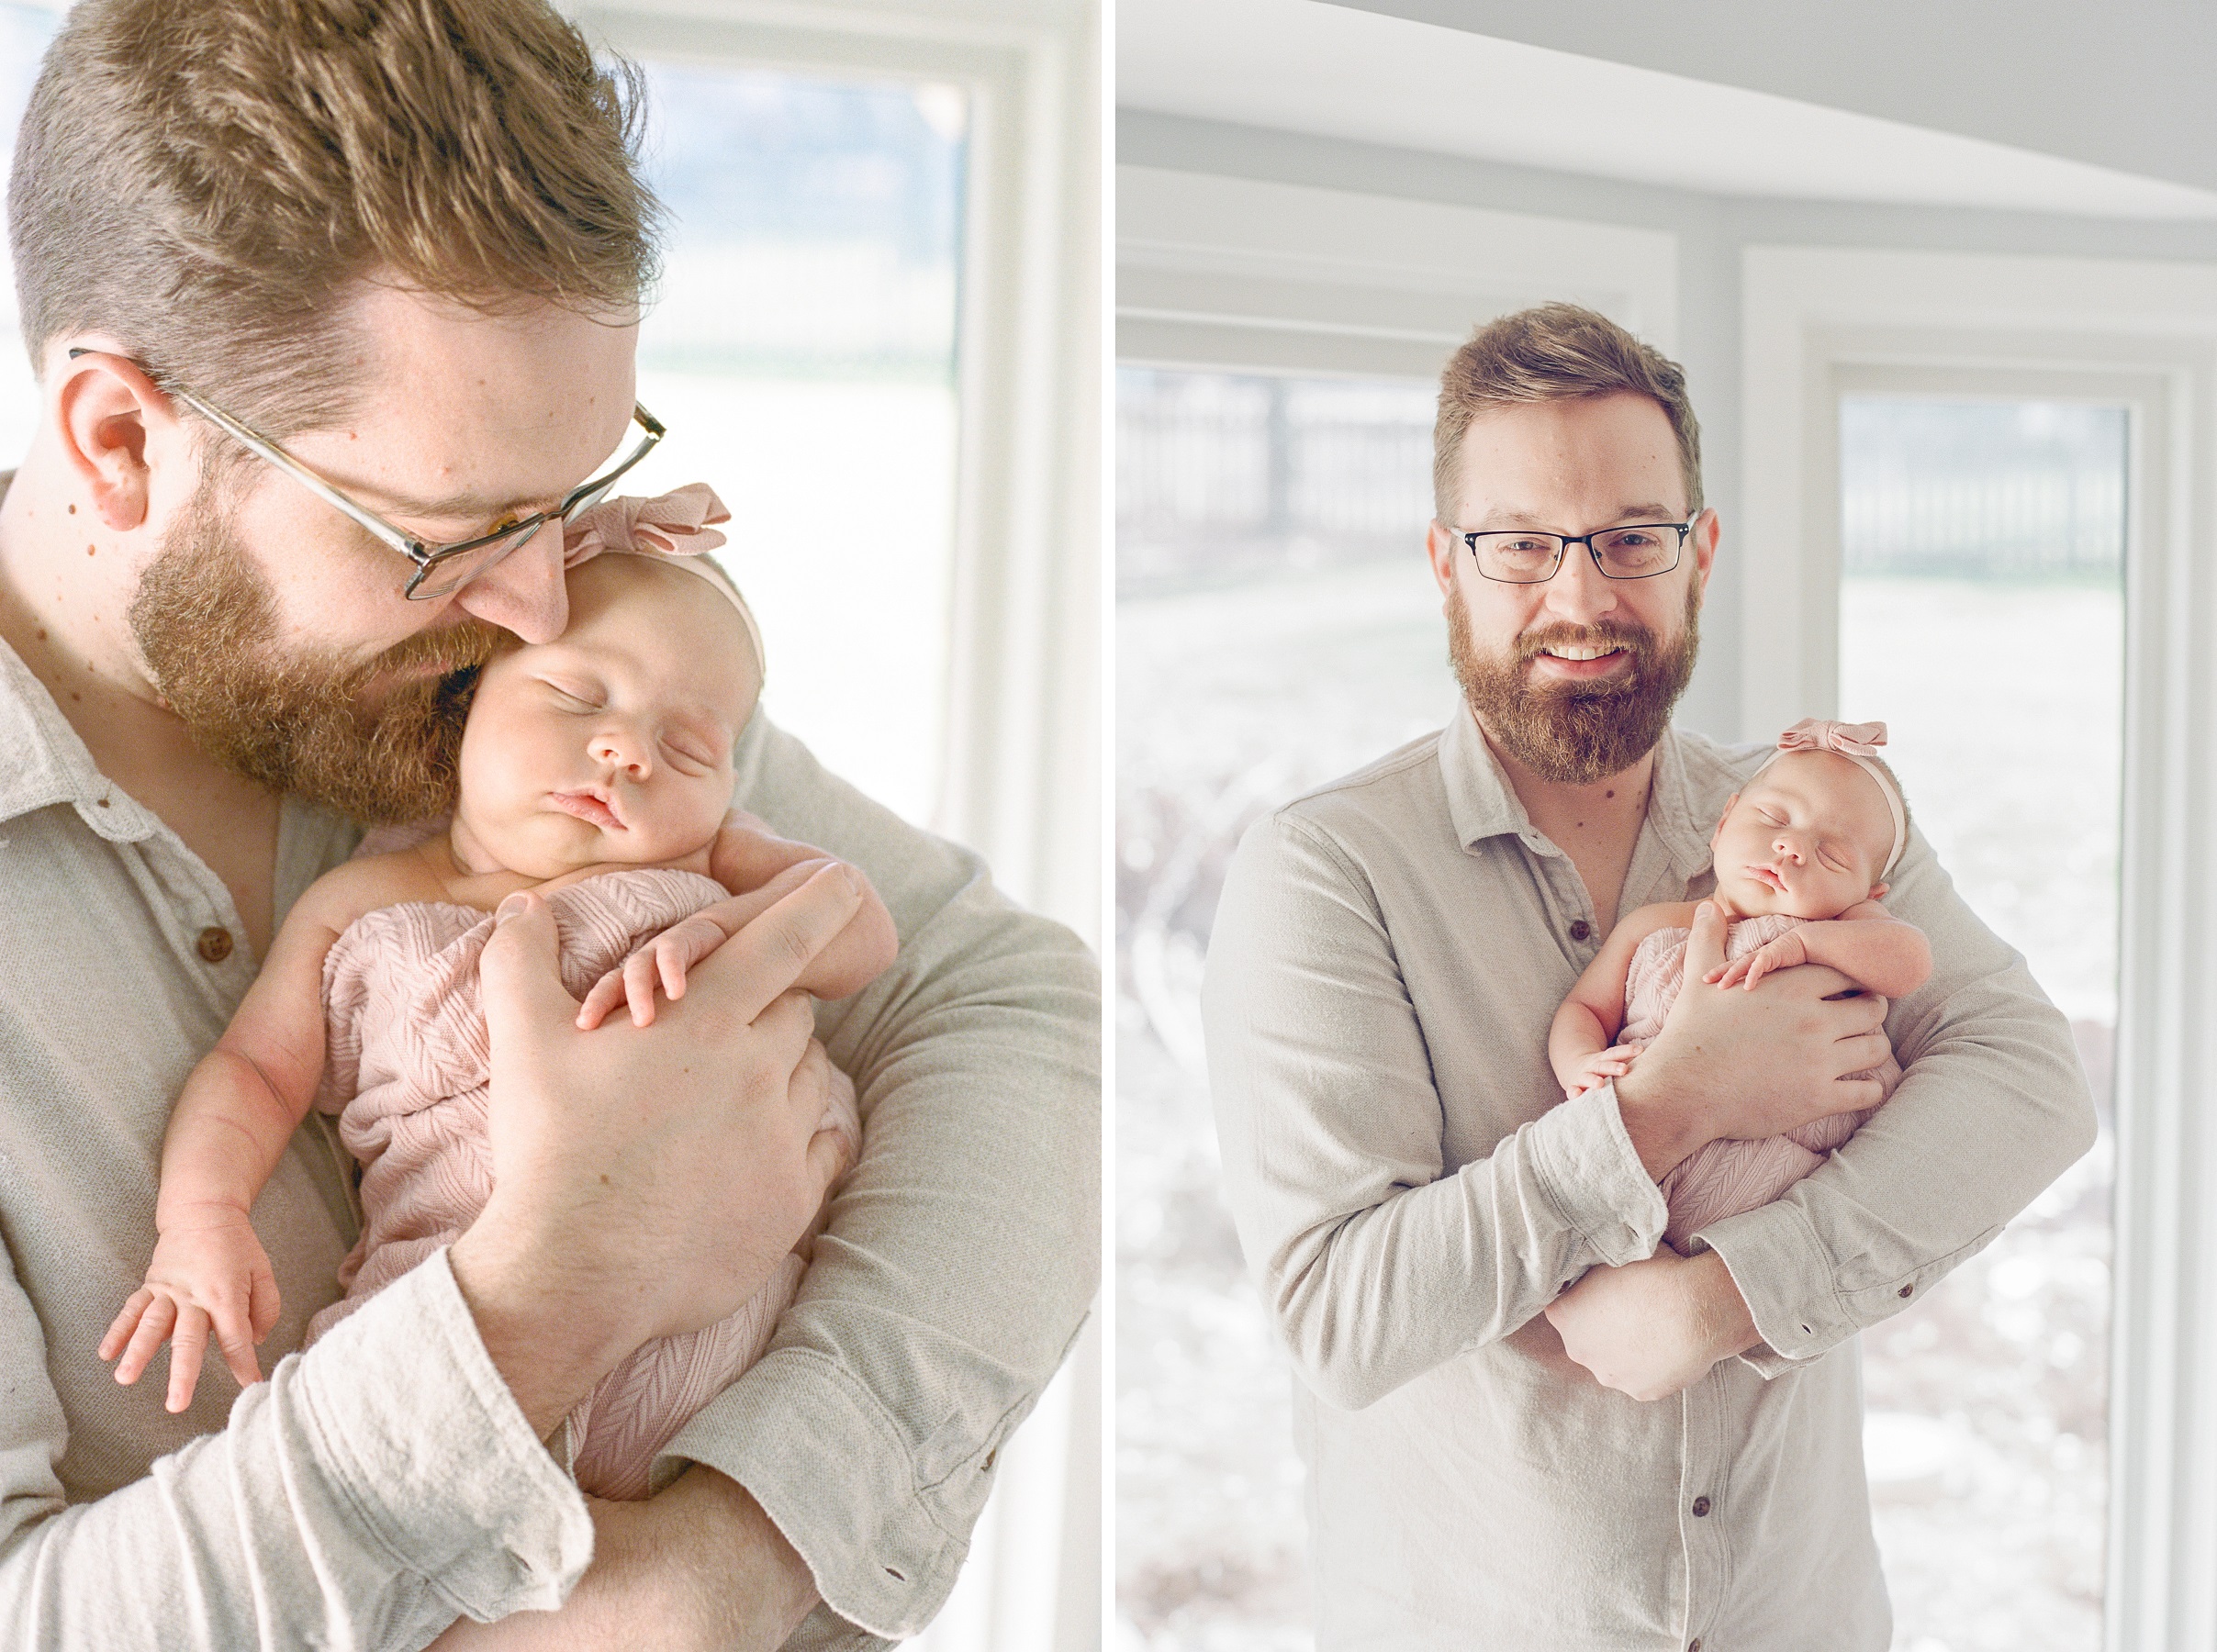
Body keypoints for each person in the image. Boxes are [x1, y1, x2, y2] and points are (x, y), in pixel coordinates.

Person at [0, 4, 1098, 1648]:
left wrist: (740, 1546)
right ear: (120, 439)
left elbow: (1017, 1005)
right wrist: (554, 1289)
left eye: (569, 502)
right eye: (454, 529)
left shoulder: (516, 686)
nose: (536, 602)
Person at [1203, 302, 2094, 1648]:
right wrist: (1665, 1107)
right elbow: (1338, 1313)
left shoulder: (1807, 824)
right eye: (1519, 546)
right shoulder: (1326, 873)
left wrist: (1731, 1294)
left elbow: (2031, 1081)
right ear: (1444, 564)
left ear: (1700, 555)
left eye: (1630, 539)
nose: (1579, 599)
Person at [105, 543, 895, 1510]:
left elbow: (855, 919)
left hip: (738, 1396)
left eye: (688, 748)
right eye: (574, 694)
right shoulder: (365, 897)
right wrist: (202, 1220)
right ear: (463, 703)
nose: (627, 751)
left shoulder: (718, 857)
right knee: (370, 1501)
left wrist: (728, 929)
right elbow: (255, 1074)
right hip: (449, 1324)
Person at [1548, 719, 1931, 1256]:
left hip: (1785, 1186)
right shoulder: (1656, 925)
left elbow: (1911, 962)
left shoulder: (1845, 927)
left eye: (1833, 856)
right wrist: (1579, 1063)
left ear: (1868, 890)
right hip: (1655, 1165)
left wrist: (1809, 946)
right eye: (1773, 817)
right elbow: (1584, 1007)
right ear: (1723, 822)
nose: (1791, 846)